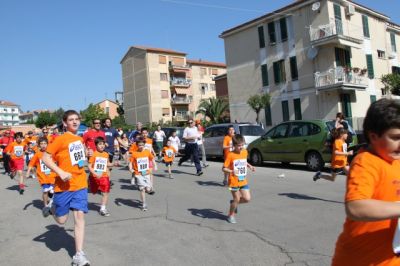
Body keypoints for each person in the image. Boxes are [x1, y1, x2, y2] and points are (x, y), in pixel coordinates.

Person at [332, 99, 400, 265]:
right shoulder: (366, 162)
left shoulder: (396, 160)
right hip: (359, 261)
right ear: (373, 136)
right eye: (396, 137)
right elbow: (355, 206)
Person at [41, 110, 90, 266]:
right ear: (64, 123)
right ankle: (51, 207)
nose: (75, 122)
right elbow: (45, 157)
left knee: (80, 217)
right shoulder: (60, 139)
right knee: (61, 221)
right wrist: (60, 172)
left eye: (77, 119)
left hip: (80, 183)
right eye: (71, 120)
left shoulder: (80, 139)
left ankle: (79, 255)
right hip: (63, 186)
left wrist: (86, 157)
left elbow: (77, 161)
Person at [222, 134, 255, 224]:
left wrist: (250, 166)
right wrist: (231, 171)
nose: (241, 147)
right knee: (237, 198)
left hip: (242, 179)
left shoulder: (244, 152)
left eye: (242, 145)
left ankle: (233, 203)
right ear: (234, 145)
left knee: (247, 199)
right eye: (239, 145)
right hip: (233, 181)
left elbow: (244, 161)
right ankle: (230, 215)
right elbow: (223, 168)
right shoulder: (230, 155)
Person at [25, 137, 56, 217]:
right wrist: (28, 172)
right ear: (39, 145)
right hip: (43, 177)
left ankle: (51, 204)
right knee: (45, 191)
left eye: (45, 143)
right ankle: (45, 206)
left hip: (52, 176)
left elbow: (58, 160)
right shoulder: (38, 154)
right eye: (41, 144)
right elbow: (31, 163)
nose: (43, 145)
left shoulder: (51, 153)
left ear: (47, 144)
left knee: (52, 191)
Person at [129, 137, 156, 211]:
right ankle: (144, 204)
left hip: (146, 173)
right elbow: (130, 163)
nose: (141, 146)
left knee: (148, 188)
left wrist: (155, 165)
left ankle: (148, 189)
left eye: (142, 145)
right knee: (142, 189)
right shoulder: (134, 153)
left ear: (144, 145)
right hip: (138, 173)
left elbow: (152, 158)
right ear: (137, 145)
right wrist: (131, 169)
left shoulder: (147, 152)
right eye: (139, 145)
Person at [88, 137, 112, 217]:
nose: (102, 146)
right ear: (96, 145)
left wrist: (112, 165)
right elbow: (89, 166)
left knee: (105, 192)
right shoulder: (94, 154)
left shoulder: (106, 154)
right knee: (93, 191)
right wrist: (95, 173)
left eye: (103, 144)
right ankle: (90, 184)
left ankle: (103, 208)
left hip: (104, 176)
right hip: (94, 177)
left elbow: (107, 164)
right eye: (100, 144)